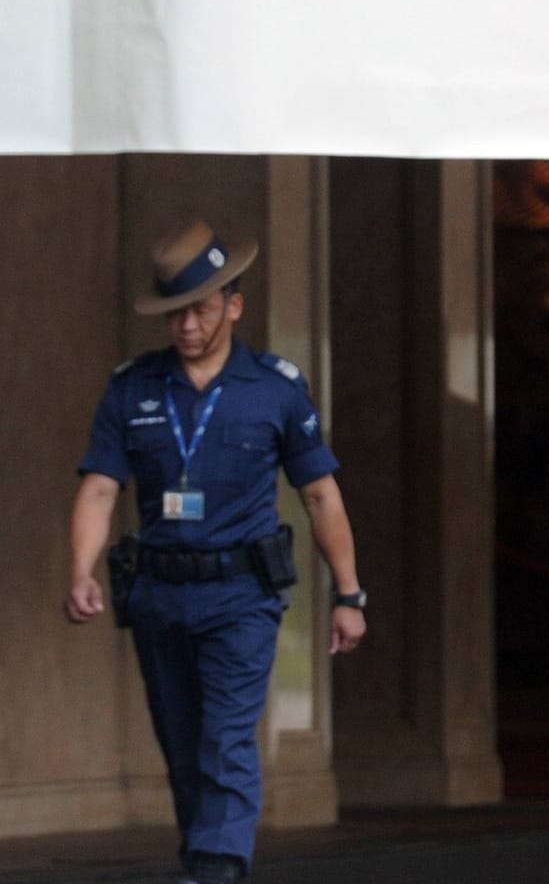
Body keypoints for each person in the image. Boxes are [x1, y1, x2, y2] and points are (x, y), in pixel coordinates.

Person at [64, 221, 366, 884]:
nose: (186, 327)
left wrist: (348, 594)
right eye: (174, 314)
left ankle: (216, 869)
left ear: (235, 303)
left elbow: (321, 495)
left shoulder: (276, 388)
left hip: (241, 596)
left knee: (225, 740)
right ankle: (203, 860)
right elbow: (99, 489)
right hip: (159, 595)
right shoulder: (133, 388)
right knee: (182, 744)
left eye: (199, 309)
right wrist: (81, 569)